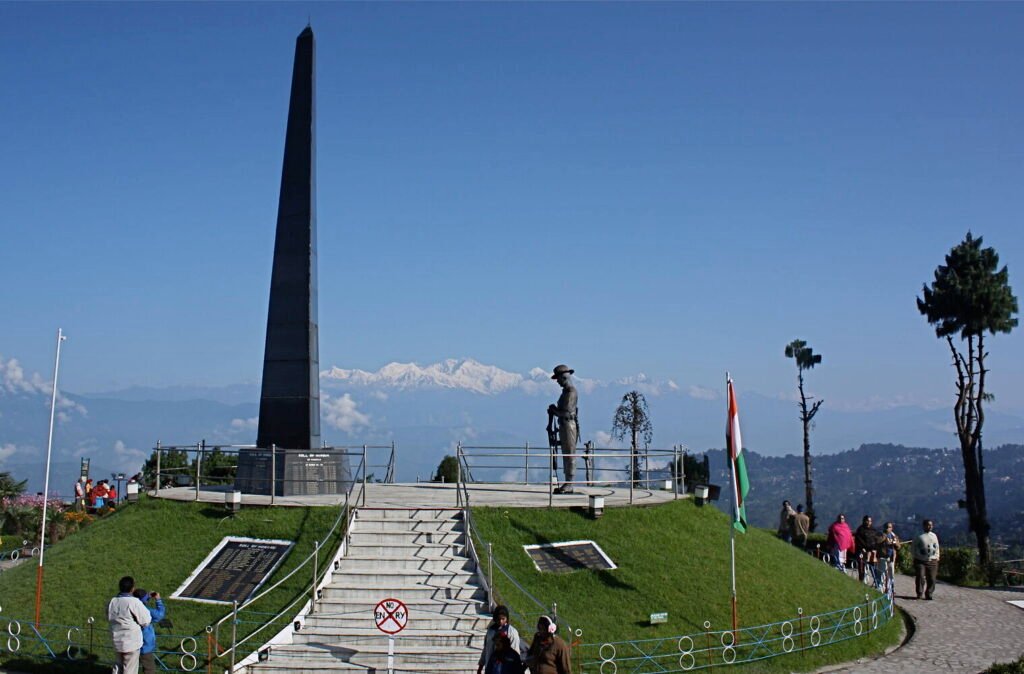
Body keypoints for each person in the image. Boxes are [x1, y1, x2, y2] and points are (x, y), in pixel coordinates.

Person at [546, 364, 579, 495]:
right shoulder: (566, 392)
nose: (558, 382)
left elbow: (566, 412)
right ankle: (567, 481)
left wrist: (554, 410)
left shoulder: (571, 392)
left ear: (564, 377)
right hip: (564, 425)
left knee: (569, 452)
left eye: (558, 379)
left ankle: (570, 483)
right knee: (566, 451)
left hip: (568, 425)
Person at [108, 576, 151, 674]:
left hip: (116, 639)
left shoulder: (112, 601)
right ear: (132, 588)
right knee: (130, 669)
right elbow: (146, 620)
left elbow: (109, 616)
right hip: (131, 641)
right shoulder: (134, 602)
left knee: (117, 667)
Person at [477, 605, 522, 674]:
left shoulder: (512, 632)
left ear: (507, 618)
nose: (500, 621)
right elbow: (486, 649)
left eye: (503, 619)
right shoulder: (490, 631)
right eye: (498, 619)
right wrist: (481, 666)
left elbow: (515, 652)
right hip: (491, 668)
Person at [132, 589, 166, 674]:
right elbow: (159, 615)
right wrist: (158, 600)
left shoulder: (130, 607)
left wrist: (147, 597)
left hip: (130, 644)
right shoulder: (146, 611)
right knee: (150, 669)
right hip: (144, 646)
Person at [912, 519, 940, 600]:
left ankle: (929, 593)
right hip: (920, 560)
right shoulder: (919, 536)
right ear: (924, 526)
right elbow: (913, 547)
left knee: (932, 578)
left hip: (932, 560)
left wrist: (937, 556)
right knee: (920, 576)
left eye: (931, 525)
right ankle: (919, 593)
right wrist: (915, 556)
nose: (930, 526)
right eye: (928, 525)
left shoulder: (934, 536)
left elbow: (937, 546)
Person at [854, 515, 884, 585]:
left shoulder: (873, 530)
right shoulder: (860, 530)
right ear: (864, 521)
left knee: (873, 567)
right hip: (862, 551)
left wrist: (874, 549)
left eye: (870, 521)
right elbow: (858, 541)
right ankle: (861, 581)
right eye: (867, 521)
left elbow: (876, 540)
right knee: (862, 567)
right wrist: (863, 548)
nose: (869, 522)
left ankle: (877, 582)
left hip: (872, 552)